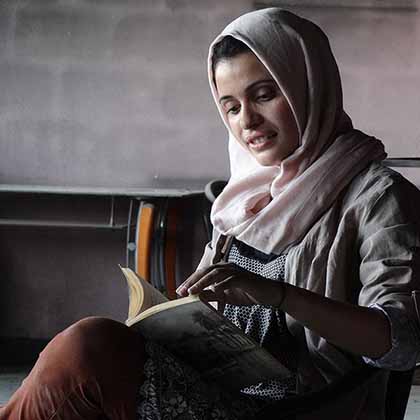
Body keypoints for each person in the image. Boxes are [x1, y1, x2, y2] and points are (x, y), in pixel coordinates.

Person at [1, 7, 420, 420]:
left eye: (263, 94)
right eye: (231, 107)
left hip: (302, 406)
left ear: (307, 85)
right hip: (221, 388)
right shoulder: (246, 193)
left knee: (90, 349)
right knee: (90, 358)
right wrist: (178, 317)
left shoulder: (377, 197)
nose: (247, 121)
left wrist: (279, 296)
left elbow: (402, 342)